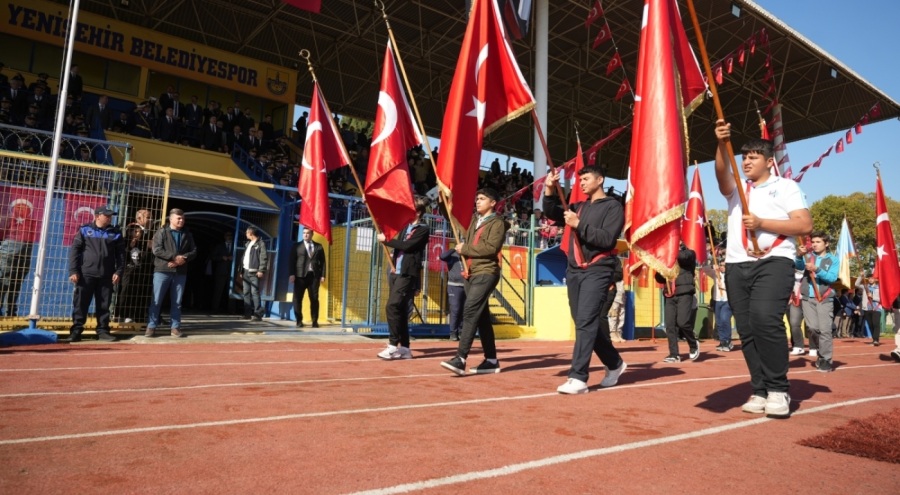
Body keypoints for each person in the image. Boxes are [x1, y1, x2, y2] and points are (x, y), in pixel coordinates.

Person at [714, 120, 812, 418]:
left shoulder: (786, 187)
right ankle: (759, 389)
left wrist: (761, 223)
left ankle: (779, 389)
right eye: (743, 157)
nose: (746, 161)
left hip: (774, 262)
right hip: (736, 264)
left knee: (764, 321)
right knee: (745, 329)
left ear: (769, 161)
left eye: (753, 157)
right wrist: (721, 143)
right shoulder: (737, 190)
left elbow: (804, 224)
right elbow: (721, 174)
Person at [542, 166, 627, 393]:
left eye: (586, 179)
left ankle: (578, 377)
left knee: (587, 320)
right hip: (575, 270)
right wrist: (550, 188)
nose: (581, 183)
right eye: (580, 179)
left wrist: (579, 225)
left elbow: (608, 239)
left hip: (598, 268)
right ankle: (615, 363)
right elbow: (551, 210)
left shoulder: (613, 206)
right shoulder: (578, 206)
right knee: (583, 322)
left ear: (600, 180)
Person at [440, 188, 508, 375]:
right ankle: (491, 360)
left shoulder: (498, 223)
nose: (477, 201)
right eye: (476, 198)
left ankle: (460, 358)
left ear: (493, 203)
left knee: (470, 310)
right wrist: (442, 200)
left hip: (486, 272)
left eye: (482, 199)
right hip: (471, 273)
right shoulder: (473, 220)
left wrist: (466, 249)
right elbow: (452, 218)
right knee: (481, 318)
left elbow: (491, 247)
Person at [376, 196, 430, 360]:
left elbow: (408, 246)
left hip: (407, 274)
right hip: (395, 271)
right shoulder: (406, 227)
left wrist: (388, 241)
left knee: (392, 306)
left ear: (418, 212)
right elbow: (389, 218)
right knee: (399, 310)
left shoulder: (423, 228)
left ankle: (393, 345)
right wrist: (370, 203)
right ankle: (405, 348)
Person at [67, 206, 124, 342]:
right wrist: (73, 271)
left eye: (111, 216)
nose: (109, 218)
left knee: (104, 305)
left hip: (106, 275)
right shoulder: (85, 230)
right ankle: (76, 331)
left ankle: (103, 331)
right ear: (98, 216)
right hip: (86, 274)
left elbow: (121, 255)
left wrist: (118, 271)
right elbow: (75, 251)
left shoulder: (115, 233)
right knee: (80, 304)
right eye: (107, 215)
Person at [146, 209, 197, 337]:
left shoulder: (187, 234)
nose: (181, 221)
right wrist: (174, 257)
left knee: (177, 301)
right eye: (179, 218)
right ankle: (151, 326)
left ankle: (175, 327)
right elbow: (156, 250)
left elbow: (194, 251)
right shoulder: (162, 232)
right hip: (162, 271)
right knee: (156, 299)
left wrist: (183, 259)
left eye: (183, 219)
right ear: (171, 219)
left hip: (180, 272)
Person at [796, 232, 839, 372]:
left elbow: (832, 278)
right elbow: (798, 266)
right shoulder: (808, 257)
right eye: (813, 241)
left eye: (818, 242)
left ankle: (825, 358)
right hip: (808, 298)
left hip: (824, 299)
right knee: (813, 328)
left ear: (826, 244)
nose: (814, 244)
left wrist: (817, 270)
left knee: (825, 330)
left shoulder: (833, 260)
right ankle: (821, 350)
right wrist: (798, 255)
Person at [655, 246, 701, 362]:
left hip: (684, 292)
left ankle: (693, 344)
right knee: (670, 325)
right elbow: (660, 279)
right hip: (670, 293)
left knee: (683, 322)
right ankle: (674, 354)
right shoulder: (666, 257)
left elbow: (683, 257)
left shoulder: (689, 254)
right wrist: (659, 267)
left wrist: (670, 250)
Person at [116, 209, 154, 323]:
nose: (151, 220)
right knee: (126, 291)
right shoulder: (130, 231)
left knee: (141, 293)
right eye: (148, 217)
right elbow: (123, 254)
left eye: (151, 217)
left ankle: (139, 316)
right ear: (139, 218)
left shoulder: (150, 233)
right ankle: (122, 314)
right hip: (129, 269)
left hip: (143, 269)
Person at [288, 227, 325, 328]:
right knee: (297, 299)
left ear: (312, 234)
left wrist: (322, 275)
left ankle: (314, 321)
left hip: (314, 277)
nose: (305, 235)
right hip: (300, 276)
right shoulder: (297, 246)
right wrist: (292, 274)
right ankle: (299, 320)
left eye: (307, 233)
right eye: (304, 233)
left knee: (314, 299)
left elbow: (323, 262)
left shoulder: (319, 246)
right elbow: (292, 261)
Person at [241, 227, 268, 321]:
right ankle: (247, 314)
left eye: (246, 233)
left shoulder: (260, 244)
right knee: (246, 293)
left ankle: (257, 315)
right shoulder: (248, 244)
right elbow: (244, 258)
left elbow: (263, 257)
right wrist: (241, 271)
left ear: (251, 233)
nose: (246, 234)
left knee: (254, 293)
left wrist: (261, 270)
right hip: (246, 271)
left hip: (254, 272)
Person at [439, 247, 466, 341]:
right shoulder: (452, 256)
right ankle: (453, 333)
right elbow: (442, 256)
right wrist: (454, 249)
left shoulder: (468, 255)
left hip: (466, 285)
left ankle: (462, 332)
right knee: (455, 309)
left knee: (464, 310)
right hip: (454, 286)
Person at [209, 231, 236, 314]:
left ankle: (231, 310)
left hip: (232, 272)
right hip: (221, 272)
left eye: (231, 235)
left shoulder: (235, 246)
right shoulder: (220, 246)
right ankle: (215, 309)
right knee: (218, 291)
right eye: (228, 235)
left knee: (232, 291)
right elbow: (213, 257)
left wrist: (234, 258)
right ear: (224, 236)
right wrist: (221, 258)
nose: (229, 237)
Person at [856, 274, 881, 346]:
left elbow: (881, 299)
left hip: (876, 308)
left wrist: (873, 297)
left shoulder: (879, 288)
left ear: (875, 279)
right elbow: (856, 284)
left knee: (876, 324)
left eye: (872, 278)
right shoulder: (865, 287)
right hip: (867, 308)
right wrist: (861, 276)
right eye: (869, 278)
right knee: (870, 325)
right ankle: (874, 339)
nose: (870, 279)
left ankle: (876, 340)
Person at [607, 278, 626, 343]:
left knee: (621, 314)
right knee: (613, 314)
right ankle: (612, 333)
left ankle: (619, 332)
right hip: (615, 296)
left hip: (621, 295)